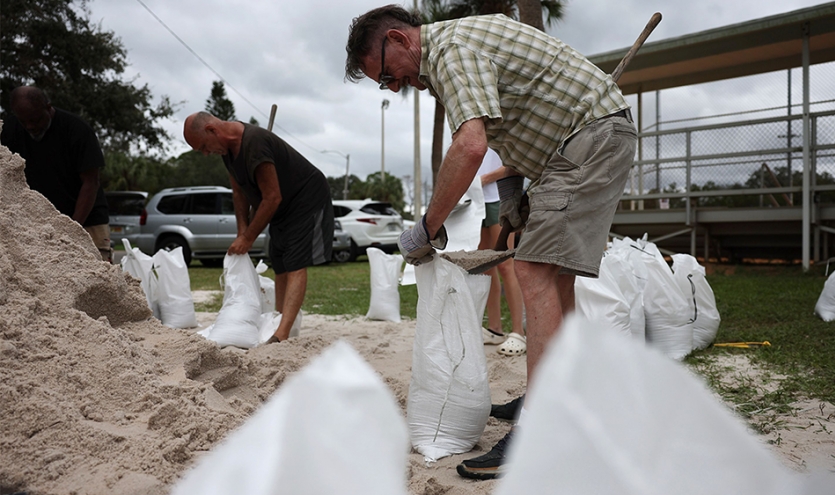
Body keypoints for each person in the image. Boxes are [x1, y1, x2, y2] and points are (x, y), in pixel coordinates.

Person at [345, 5, 637, 479]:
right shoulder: (454, 51)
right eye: (385, 84)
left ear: (398, 40)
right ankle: (559, 389)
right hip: (580, 141)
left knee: (533, 272)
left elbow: (470, 146)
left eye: (386, 76)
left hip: (590, 137)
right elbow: (517, 121)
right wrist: (513, 194)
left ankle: (541, 425)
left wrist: (427, 228)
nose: (393, 86)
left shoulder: (450, 51)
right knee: (553, 273)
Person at [183, 112, 334, 343]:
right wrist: (242, 230)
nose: (205, 153)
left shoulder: (255, 144)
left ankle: (282, 334)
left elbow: (272, 197)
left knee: (295, 260)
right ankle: (279, 323)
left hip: (305, 197)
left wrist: (249, 238)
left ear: (212, 130)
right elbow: (239, 191)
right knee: (280, 260)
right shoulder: (228, 153)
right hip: (282, 204)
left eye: (203, 146)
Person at [1, 86, 112, 262]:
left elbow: (91, 182)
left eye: (35, 120)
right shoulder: (11, 130)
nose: (30, 126)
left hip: (87, 220)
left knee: (97, 274)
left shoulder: (77, 130)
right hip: (40, 224)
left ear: (48, 107)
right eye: (24, 121)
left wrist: (70, 228)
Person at [477, 148, 526, 356]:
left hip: (501, 196)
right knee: (485, 265)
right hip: (477, 201)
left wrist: (485, 178)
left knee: (506, 265)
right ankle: (495, 329)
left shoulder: (505, 120)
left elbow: (517, 163)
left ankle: (518, 332)